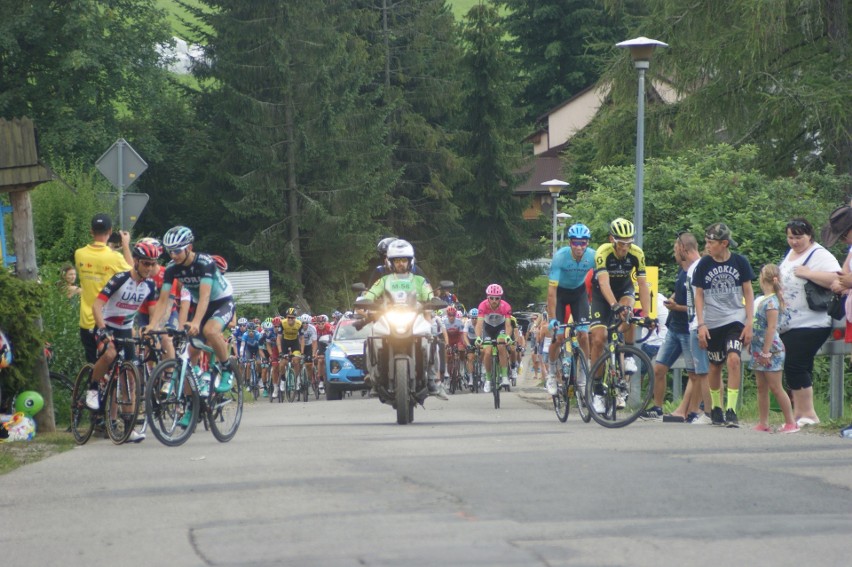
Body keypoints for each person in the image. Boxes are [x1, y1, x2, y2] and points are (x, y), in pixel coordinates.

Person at [144, 226, 237, 425]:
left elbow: (204, 298)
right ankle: (191, 408)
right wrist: (152, 324)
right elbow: (164, 300)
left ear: (189, 247)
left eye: (178, 250)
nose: (173, 255)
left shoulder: (204, 263)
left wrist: (195, 322)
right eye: (170, 251)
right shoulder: (172, 268)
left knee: (209, 330)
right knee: (189, 355)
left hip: (220, 302)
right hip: (200, 305)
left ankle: (227, 367)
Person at [87, 240, 161, 443]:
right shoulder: (119, 279)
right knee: (110, 354)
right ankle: (93, 387)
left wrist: (151, 327)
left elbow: (153, 310)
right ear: (135, 261)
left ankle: (128, 427)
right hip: (107, 324)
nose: (149, 268)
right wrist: (102, 329)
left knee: (130, 376)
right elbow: (96, 305)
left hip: (126, 329)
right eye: (146, 263)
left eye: (153, 263)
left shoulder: (150, 284)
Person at [776, 217, 841, 428]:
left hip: (813, 321)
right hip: (789, 322)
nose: (794, 242)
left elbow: (837, 279)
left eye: (798, 237)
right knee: (795, 365)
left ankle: (809, 414)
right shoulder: (791, 254)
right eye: (790, 237)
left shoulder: (819, 254)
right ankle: (799, 413)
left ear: (809, 236)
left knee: (796, 364)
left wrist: (809, 273)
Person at [362, 239, 445, 399]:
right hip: (389, 317)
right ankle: (375, 377)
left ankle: (433, 379)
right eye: (397, 260)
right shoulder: (384, 280)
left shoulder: (419, 280)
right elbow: (370, 294)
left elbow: (429, 295)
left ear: (410, 261)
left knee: (431, 339)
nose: (401, 264)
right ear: (391, 262)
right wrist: (366, 301)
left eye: (404, 260)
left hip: (415, 318)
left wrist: (433, 301)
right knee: (373, 336)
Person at [643, 233, 712, 423]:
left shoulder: (699, 268)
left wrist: (677, 307)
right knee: (659, 368)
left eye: (675, 250)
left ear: (683, 249)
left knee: (694, 372)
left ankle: (694, 410)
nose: (674, 254)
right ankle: (658, 407)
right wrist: (673, 298)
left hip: (688, 326)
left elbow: (698, 302)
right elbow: (684, 291)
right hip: (674, 327)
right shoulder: (684, 270)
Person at [588, 218, 655, 412]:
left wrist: (648, 314)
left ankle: (627, 354)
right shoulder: (603, 253)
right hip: (603, 294)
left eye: (629, 242)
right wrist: (613, 305)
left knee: (628, 312)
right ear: (612, 239)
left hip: (624, 289)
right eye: (621, 243)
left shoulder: (637, 254)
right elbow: (604, 283)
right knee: (599, 339)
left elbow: (642, 284)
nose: (625, 247)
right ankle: (598, 389)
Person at [694, 222, 755, 428]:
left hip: (735, 320)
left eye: (711, 243)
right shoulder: (704, 264)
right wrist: (701, 324)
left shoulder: (740, 262)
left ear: (724, 243)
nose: (707, 246)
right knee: (715, 365)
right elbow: (699, 294)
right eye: (706, 242)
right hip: (712, 322)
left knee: (734, 360)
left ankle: (731, 409)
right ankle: (716, 407)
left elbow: (748, 291)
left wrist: (749, 323)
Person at [545, 223, 595, 395]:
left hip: (579, 294)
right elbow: (551, 292)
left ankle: (583, 376)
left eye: (583, 243)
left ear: (587, 243)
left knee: (583, 334)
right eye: (575, 243)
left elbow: (603, 281)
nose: (579, 247)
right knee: (558, 337)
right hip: (560, 295)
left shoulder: (593, 256)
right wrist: (552, 318)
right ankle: (551, 373)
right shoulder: (560, 257)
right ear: (569, 242)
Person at [74, 213, 131, 363]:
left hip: (85, 321)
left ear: (91, 231)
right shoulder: (115, 258)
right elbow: (133, 272)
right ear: (110, 231)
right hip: (105, 321)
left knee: (93, 366)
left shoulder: (79, 254)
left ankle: (92, 386)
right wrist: (125, 245)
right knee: (110, 366)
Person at [750, 264, 799, 433]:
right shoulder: (764, 299)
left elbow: (771, 328)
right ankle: (763, 422)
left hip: (771, 349)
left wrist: (766, 351)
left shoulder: (771, 302)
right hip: (758, 348)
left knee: (775, 387)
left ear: (763, 278)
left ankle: (790, 422)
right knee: (761, 386)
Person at [474, 284, 513, 393]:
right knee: (487, 352)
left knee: (501, 345)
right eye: (491, 298)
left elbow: (508, 325)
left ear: (501, 298)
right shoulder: (482, 306)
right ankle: (488, 379)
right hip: (488, 329)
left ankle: (504, 376)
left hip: (500, 328)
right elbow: (479, 324)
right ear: (488, 297)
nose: (494, 300)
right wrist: (478, 337)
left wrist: (508, 336)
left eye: (497, 298)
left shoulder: (506, 306)